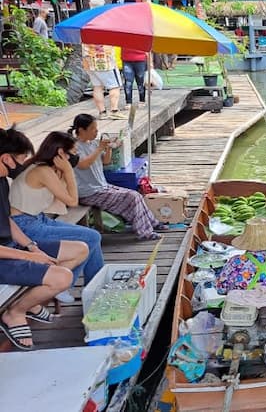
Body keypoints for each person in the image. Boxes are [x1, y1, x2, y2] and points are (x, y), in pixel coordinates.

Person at [0, 127, 87, 350]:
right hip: (4, 256)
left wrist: (31, 247)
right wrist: (28, 255)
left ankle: (28, 302)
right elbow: (72, 201)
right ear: (6, 158)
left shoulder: (0, 181)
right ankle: (15, 312)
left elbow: (6, 221)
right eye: (21, 158)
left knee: (80, 249)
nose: (22, 164)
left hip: (12, 244)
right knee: (62, 278)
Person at [9, 131, 105, 303]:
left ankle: (95, 288)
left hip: (37, 219)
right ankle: (69, 285)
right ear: (61, 153)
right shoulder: (42, 171)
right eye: (73, 152)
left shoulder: (47, 169)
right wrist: (68, 171)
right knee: (91, 238)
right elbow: (73, 201)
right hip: (23, 225)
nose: (76, 156)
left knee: (93, 237)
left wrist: (64, 171)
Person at [69, 114, 167, 240]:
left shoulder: (92, 143)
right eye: (93, 129)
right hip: (88, 192)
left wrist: (109, 148)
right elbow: (83, 164)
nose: (96, 131)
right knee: (132, 197)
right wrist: (99, 149)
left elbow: (106, 161)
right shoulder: (75, 147)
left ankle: (152, 223)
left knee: (135, 194)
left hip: (101, 186)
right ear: (82, 130)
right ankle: (145, 232)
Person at [83, 0, 123, 120]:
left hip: (88, 58)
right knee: (114, 85)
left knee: (97, 86)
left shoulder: (84, 19)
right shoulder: (105, 20)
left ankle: (102, 113)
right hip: (105, 59)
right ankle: (114, 110)